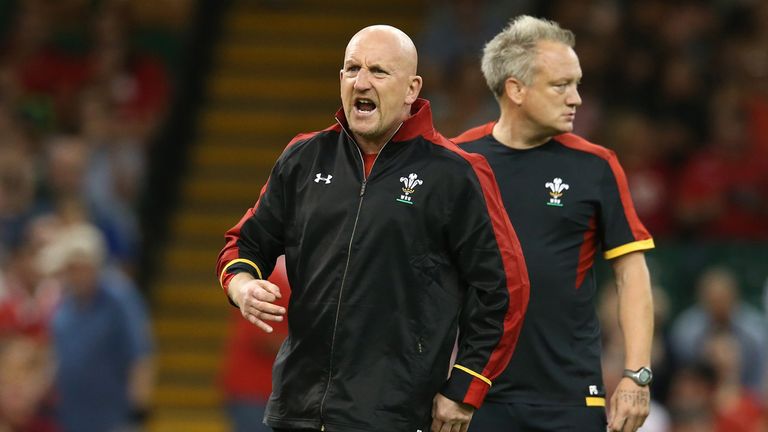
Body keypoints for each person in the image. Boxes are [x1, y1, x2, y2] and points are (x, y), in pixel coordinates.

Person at [216, 25, 530, 432]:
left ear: (411, 88)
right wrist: (240, 285)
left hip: (394, 415)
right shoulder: (304, 157)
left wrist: (465, 387)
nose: (361, 81)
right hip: (296, 409)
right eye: (351, 69)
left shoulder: (457, 174)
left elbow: (505, 289)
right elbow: (245, 241)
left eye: (378, 71)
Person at [452, 16, 655, 432]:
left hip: (570, 397)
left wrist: (637, 376)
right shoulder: (457, 162)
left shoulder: (596, 166)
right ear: (516, 89)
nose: (576, 98)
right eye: (561, 85)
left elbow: (632, 274)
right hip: (473, 395)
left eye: (576, 84)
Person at [44, 223, 154, 432]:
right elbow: (57, 357)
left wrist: (137, 414)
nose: (75, 275)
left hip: (113, 418)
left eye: (79, 267)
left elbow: (141, 357)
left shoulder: (120, 298)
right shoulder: (63, 307)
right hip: (71, 417)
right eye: (70, 269)